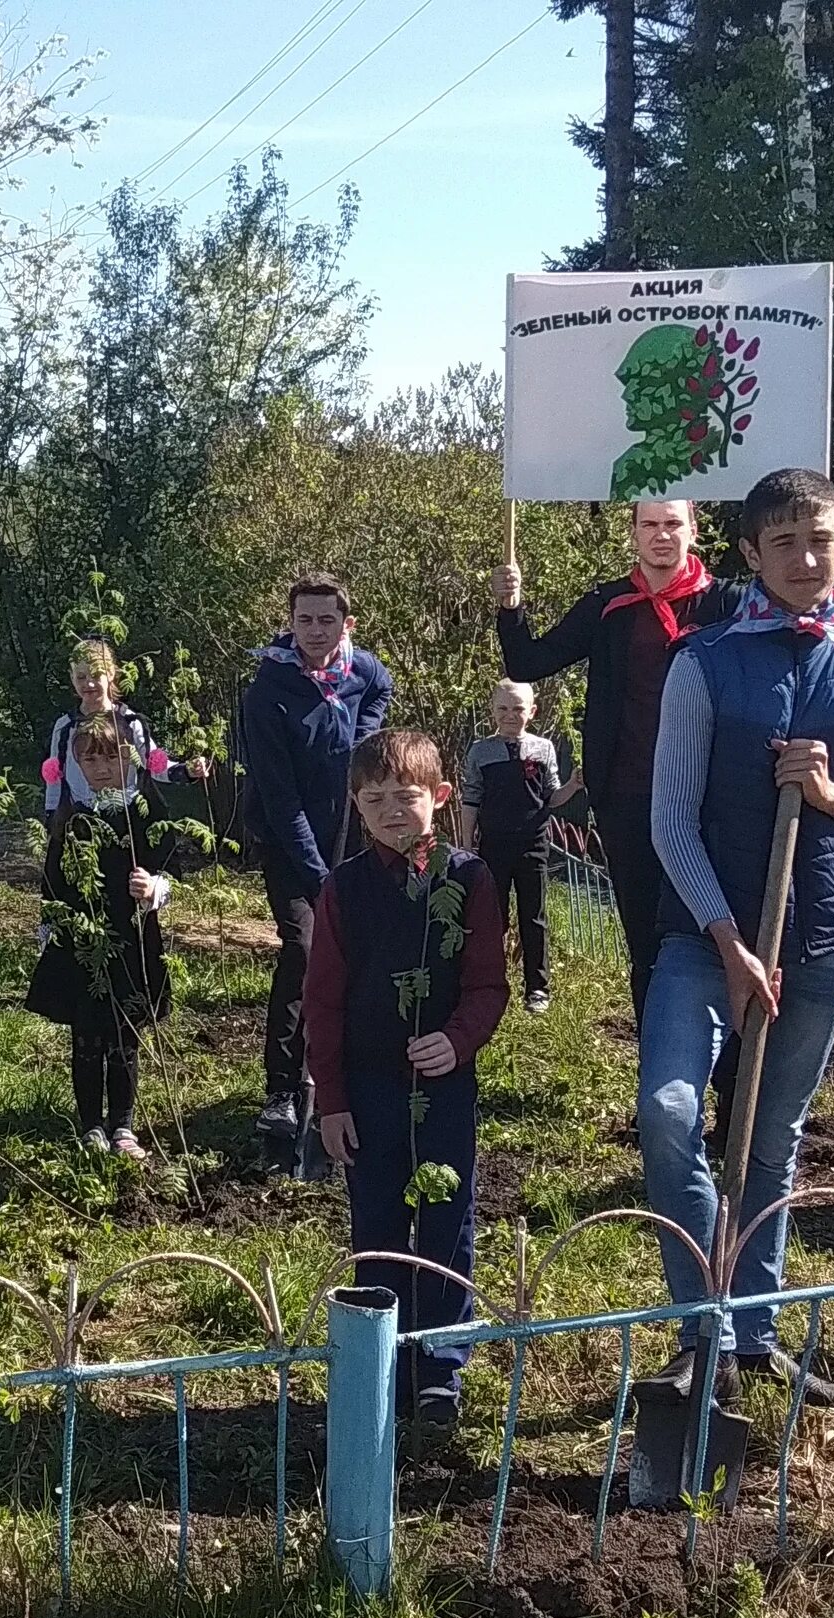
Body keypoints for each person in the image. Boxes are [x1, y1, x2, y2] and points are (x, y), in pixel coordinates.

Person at [639, 469, 834, 1410]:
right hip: (706, 939)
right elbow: (669, 823)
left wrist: (832, 797)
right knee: (672, 1115)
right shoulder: (705, 661)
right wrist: (729, 943)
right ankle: (706, 1329)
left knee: (772, 1139)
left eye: (821, 540)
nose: (805, 560)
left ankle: (756, 1333)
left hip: (821, 941)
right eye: (783, 544)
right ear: (749, 555)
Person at [311, 730, 510, 1426]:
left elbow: (488, 985)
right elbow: (324, 1001)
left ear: (441, 800)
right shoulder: (344, 890)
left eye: (408, 797)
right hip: (369, 1087)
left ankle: (440, 1366)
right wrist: (331, 1100)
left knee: (447, 1219)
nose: (393, 811)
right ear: (356, 809)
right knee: (379, 1220)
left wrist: (456, 1042)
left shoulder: (470, 881)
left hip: (446, 1088)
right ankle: (382, 1358)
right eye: (375, 800)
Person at [496, 498, 739, 1021]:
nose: (661, 535)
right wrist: (511, 608)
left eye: (673, 524)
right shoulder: (608, 604)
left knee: (716, 935)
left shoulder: (727, 604)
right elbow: (528, 661)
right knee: (645, 942)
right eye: (649, 524)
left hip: (710, 803)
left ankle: (724, 1079)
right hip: (628, 800)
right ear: (633, 533)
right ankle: (658, 1080)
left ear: (693, 530)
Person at [239, 573, 394, 1166]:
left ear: (345, 623)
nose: (315, 631)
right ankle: (282, 1089)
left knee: (358, 954)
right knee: (304, 948)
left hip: (353, 834)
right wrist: (318, 873)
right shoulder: (269, 689)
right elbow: (279, 799)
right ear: (291, 621)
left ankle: (347, 1073)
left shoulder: (361, 671)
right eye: (304, 620)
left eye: (326, 620)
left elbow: (381, 690)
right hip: (287, 839)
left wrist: (364, 741)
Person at [27, 720, 179, 1160]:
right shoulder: (73, 816)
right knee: (86, 1034)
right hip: (82, 942)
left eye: (111, 756)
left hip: (133, 939)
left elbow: (172, 866)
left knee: (124, 1035)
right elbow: (52, 880)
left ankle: (124, 1126)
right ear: (76, 763)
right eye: (89, 758)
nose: (101, 767)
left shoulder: (146, 810)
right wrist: (49, 930)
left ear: (129, 759)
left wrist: (154, 889)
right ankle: (91, 1124)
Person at [459, 678, 575, 1014]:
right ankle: (488, 984)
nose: (510, 715)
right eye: (503, 709)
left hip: (533, 844)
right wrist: (467, 845)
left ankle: (537, 989)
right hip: (493, 846)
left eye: (518, 709)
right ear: (493, 711)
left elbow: (552, 798)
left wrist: (575, 784)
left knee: (533, 917)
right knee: (493, 918)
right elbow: (471, 800)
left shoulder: (543, 749)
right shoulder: (481, 751)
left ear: (532, 712)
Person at [41, 639, 201, 814]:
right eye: (81, 677)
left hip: (128, 819)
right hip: (82, 820)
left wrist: (188, 770)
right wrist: (51, 820)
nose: (89, 683)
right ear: (72, 678)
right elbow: (54, 780)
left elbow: (155, 766)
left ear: (110, 674)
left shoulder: (130, 722)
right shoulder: (64, 727)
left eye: (96, 675)